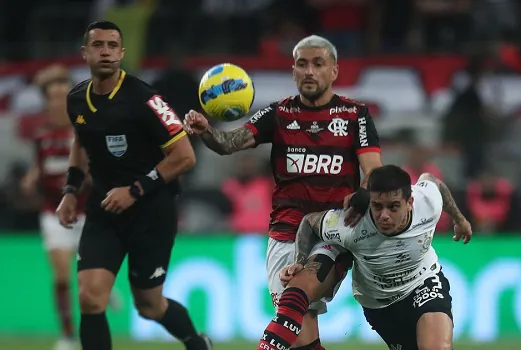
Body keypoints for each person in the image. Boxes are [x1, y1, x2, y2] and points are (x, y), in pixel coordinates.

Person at [184, 35, 383, 349]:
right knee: (302, 331)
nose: (309, 71)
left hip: (332, 231)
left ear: (334, 71)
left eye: (318, 64)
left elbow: (373, 172)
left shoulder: (354, 115)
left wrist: (361, 198)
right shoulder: (278, 114)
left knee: (295, 299)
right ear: (293, 71)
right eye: (302, 64)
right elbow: (228, 144)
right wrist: (206, 130)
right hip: (286, 232)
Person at [56, 21, 211, 350]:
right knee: (90, 298)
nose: (106, 51)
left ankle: (197, 343)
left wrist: (135, 190)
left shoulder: (146, 99)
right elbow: (81, 143)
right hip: (105, 209)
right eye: (98, 45)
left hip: (151, 212)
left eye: (113, 45)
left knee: (149, 305)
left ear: (122, 53)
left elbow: (184, 157)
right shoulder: (76, 100)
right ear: (85, 53)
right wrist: (71, 191)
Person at [273, 165, 473, 350]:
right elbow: (309, 223)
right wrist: (299, 261)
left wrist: (460, 219)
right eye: (377, 206)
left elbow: (433, 182)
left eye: (393, 207)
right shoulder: (350, 224)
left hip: (424, 282)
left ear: (410, 202)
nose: (384, 215)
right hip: (379, 304)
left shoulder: (427, 203)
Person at [20, 65, 86, 350]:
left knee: (88, 278)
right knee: (61, 274)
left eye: (62, 98)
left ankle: (101, 292)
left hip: (86, 213)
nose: (58, 104)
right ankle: (68, 335)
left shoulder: (83, 133)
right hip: (53, 212)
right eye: (53, 99)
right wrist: (32, 177)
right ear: (46, 104)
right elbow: (41, 165)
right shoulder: (41, 137)